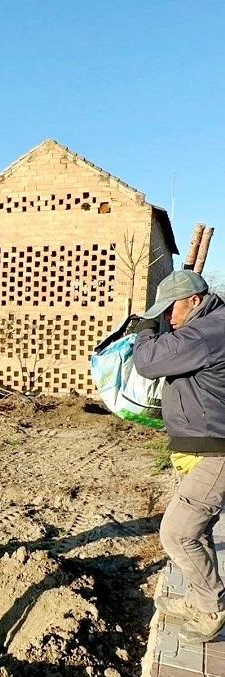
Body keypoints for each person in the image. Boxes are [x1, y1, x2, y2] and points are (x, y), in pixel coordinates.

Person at [133, 269, 225, 643]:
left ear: (195, 301)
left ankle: (212, 609)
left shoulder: (208, 332)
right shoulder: (207, 327)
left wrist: (145, 327)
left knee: (176, 533)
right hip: (206, 448)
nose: (168, 318)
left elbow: (148, 361)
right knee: (195, 531)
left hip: (219, 452)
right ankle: (201, 596)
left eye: (171, 309)